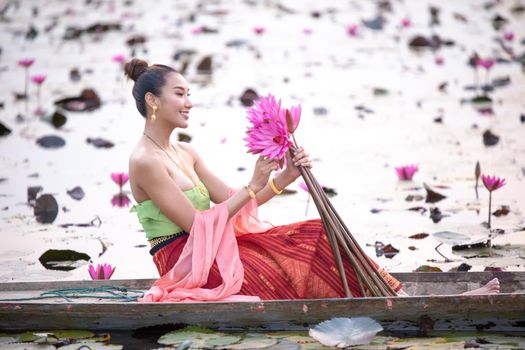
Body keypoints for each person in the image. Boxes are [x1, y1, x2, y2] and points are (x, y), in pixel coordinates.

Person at [125, 58, 499, 302]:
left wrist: (282, 176)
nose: (189, 102)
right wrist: (252, 185)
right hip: (186, 264)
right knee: (283, 267)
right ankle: (403, 303)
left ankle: (397, 301)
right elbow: (197, 225)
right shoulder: (144, 161)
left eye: (190, 93)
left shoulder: (186, 152)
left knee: (314, 231)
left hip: (215, 249)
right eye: (180, 94)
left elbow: (233, 203)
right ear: (154, 101)